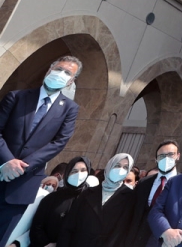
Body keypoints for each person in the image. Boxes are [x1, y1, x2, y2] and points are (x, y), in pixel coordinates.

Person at [0, 56, 82, 244]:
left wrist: (21, 167)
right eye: (59, 69)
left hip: (23, 183)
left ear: (71, 80)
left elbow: (59, 142)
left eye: (68, 73)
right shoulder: (16, 96)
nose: (61, 74)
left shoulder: (69, 108)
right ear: (49, 70)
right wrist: (7, 161)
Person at [57, 152, 136, 246]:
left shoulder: (130, 197)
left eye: (125, 167)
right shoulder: (88, 192)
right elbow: (70, 224)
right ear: (110, 165)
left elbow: (123, 232)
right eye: (117, 165)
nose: (120, 170)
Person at [29, 155, 91, 246]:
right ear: (67, 174)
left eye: (83, 170)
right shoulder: (52, 198)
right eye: (74, 171)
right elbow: (37, 226)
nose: (78, 174)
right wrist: (46, 243)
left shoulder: (90, 201)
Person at [130, 139, 181, 246]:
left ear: (178, 156)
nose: (166, 159)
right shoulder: (144, 183)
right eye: (161, 156)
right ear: (156, 159)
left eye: (170, 154)